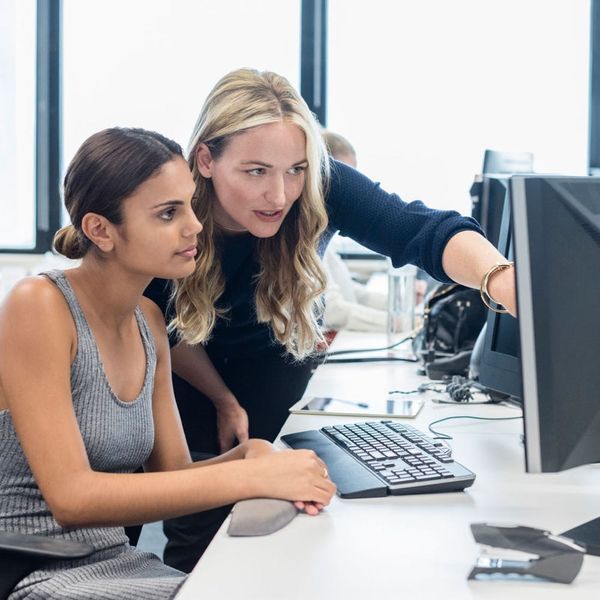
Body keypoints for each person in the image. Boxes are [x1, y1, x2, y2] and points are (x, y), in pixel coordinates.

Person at [144, 68, 516, 570]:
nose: (280, 195)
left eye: (295, 170)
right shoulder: (173, 205)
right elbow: (161, 323)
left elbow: (420, 230)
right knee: (200, 534)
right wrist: (222, 399)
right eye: (256, 172)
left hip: (275, 365)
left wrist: (501, 278)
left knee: (288, 532)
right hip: (186, 375)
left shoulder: (321, 182)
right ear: (206, 159)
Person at [0, 127, 336, 600]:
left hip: (115, 561)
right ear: (100, 230)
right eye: (168, 213)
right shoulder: (38, 305)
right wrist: (247, 477)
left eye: (190, 206)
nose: (195, 225)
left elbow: (171, 477)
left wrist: (250, 455)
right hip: (32, 568)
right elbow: (72, 498)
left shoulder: (149, 320)